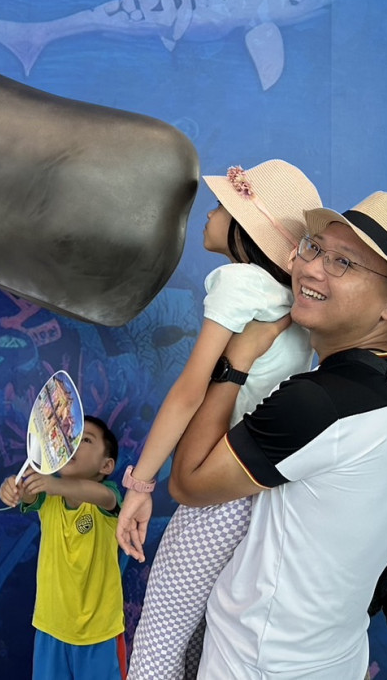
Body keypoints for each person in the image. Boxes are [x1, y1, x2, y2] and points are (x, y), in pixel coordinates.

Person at [169, 191, 387, 679]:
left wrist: (236, 363)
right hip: (334, 654)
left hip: (262, 661)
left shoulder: (317, 402)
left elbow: (188, 483)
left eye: (344, 263)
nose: (312, 270)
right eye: (314, 248)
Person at [116, 160, 321, 678]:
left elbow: (189, 392)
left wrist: (140, 484)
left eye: (222, 206)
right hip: (269, 495)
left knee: (159, 639)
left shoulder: (239, 281)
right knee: (207, 640)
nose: (208, 214)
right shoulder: (289, 302)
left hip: (220, 492)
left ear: (244, 229)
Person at [0, 415, 127, 679]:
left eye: (85, 440)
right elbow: (29, 493)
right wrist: (11, 488)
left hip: (99, 634)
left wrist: (55, 484)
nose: (73, 445)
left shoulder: (108, 496)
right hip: (50, 629)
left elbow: (102, 496)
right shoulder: (47, 497)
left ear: (107, 465)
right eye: (70, 439)